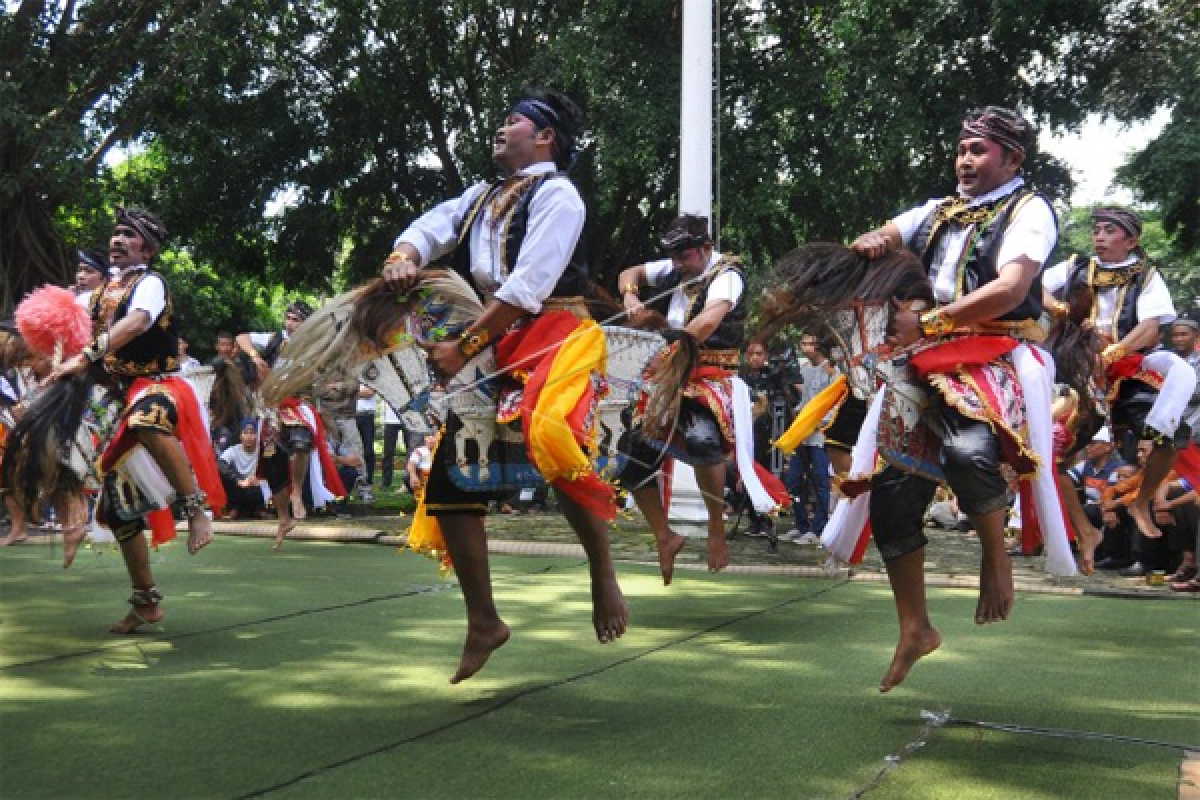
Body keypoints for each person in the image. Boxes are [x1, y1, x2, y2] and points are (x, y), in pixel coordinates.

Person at [381, 86, 628, 683]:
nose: (500, 126)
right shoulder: (480, 198)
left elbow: (526, 289)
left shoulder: (560, 196)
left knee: (552, 442)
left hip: (553, 337)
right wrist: (402, 254)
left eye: (512, 120)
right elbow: (431, 226)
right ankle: (483, 620)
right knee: (448, 475)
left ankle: (602, 573)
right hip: (493, 338)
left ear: (544, 138)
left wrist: (462, 346)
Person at [849, 106, 1068, 691]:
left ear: (1012, 159)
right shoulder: (938, 209)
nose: (965, 161)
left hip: (993, 354)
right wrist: (873, 240)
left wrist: (934, 322)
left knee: (970, 456)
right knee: (891, 497)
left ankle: (997, 559)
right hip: (924, 357)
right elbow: (890, 233)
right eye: (962, 150)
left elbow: (1012, 289)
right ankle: (915, 627)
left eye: (978, 151)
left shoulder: (1030, 210)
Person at [44, 207, 226, 633]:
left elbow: (137, 323)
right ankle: (146, 600)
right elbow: (62, 320)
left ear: (148, 246)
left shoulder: (150, 285)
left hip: (162, 386)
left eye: (128, 234)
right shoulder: (99, 292)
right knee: (117, 507)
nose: (117, 240)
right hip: (115, 396)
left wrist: (87, 355)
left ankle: (196, 509)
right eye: (115, 233)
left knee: (146, 418)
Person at [617, 214, 787, 583]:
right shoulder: (674, 268)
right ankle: (665, 536)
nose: (677, 264)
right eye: (673, 257)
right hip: (671, 372)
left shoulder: (726, 275)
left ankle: (715, 529)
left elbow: (706, 325)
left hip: (712, 375)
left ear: (705, 249)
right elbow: (629, 273)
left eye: (684, 256)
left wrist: (664, 339)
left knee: (703, 441)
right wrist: (630, 296)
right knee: (630, 459)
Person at [1043, 207, 1196, 543]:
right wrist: (1060, 311)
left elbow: (1151, 324)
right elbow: (1032, 285)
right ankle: (1085, 531)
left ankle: (1141, 502)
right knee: (1048, 458)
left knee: (1172, 437)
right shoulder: (1076, 267)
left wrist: (1113, 353)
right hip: (1081, 375)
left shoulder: (1146, 275)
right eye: (1097, 230)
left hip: (1128, 371)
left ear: (1131, 240)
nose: (1099, 236)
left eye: (1109, 230)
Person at [237, 301, 346, 544]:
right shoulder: (273, 339)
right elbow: (241, 337)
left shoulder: (315, 345)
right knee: (272, 459)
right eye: (288, 318)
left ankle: (297, 492)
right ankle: (284, 517)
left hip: (298, 403)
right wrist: (255, 357)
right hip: (272, 404)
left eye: (296, 319)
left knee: (301, 441)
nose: (291, 323)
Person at [782, 333, 835, 543]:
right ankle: (801, 524)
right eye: (803, 343)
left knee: (821, 480)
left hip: (821, 435)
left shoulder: (832, 371)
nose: (807, 348)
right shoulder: (804, 370)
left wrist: (821, 422)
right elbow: (804, 400)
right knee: (794, 479)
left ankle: (819, 528)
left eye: (811, 343)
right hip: (803, 433)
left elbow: (834, 402)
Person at [218, 419, 268, 519]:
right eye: (245, 433)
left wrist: (259, 481)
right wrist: (238, 480)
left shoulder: (263, 451)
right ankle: (234, 508)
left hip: (257, 486)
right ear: (240, 436)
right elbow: (221, 464)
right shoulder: (233, 450)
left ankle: (261, 509)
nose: (248, 437)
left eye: (252, 433)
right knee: (224, 476)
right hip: (239, 486)